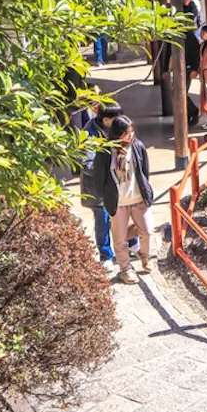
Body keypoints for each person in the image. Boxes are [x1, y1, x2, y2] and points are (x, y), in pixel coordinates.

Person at [93, 116, 154, 285]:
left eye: (132, 131)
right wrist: (106, 195)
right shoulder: (106, 151)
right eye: (126, 132)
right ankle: (125, 269)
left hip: (138, 197)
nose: (130, 135)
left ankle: (145, 256)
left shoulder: (137, 146)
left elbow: (144, 171)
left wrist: (145, 189)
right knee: (119, 239)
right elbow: (99, 177)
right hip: (118, 201)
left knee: (147, 230)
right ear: (117, 133)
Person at [82, 103, 129, 262]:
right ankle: (106, 255)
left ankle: (131, 244)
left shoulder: (120, 127)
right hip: (99, 186)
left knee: (124, 216)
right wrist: (107, 171)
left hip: (119, 183)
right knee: (103, 220)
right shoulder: (89, 134)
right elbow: (87, 163)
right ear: (106, 120)